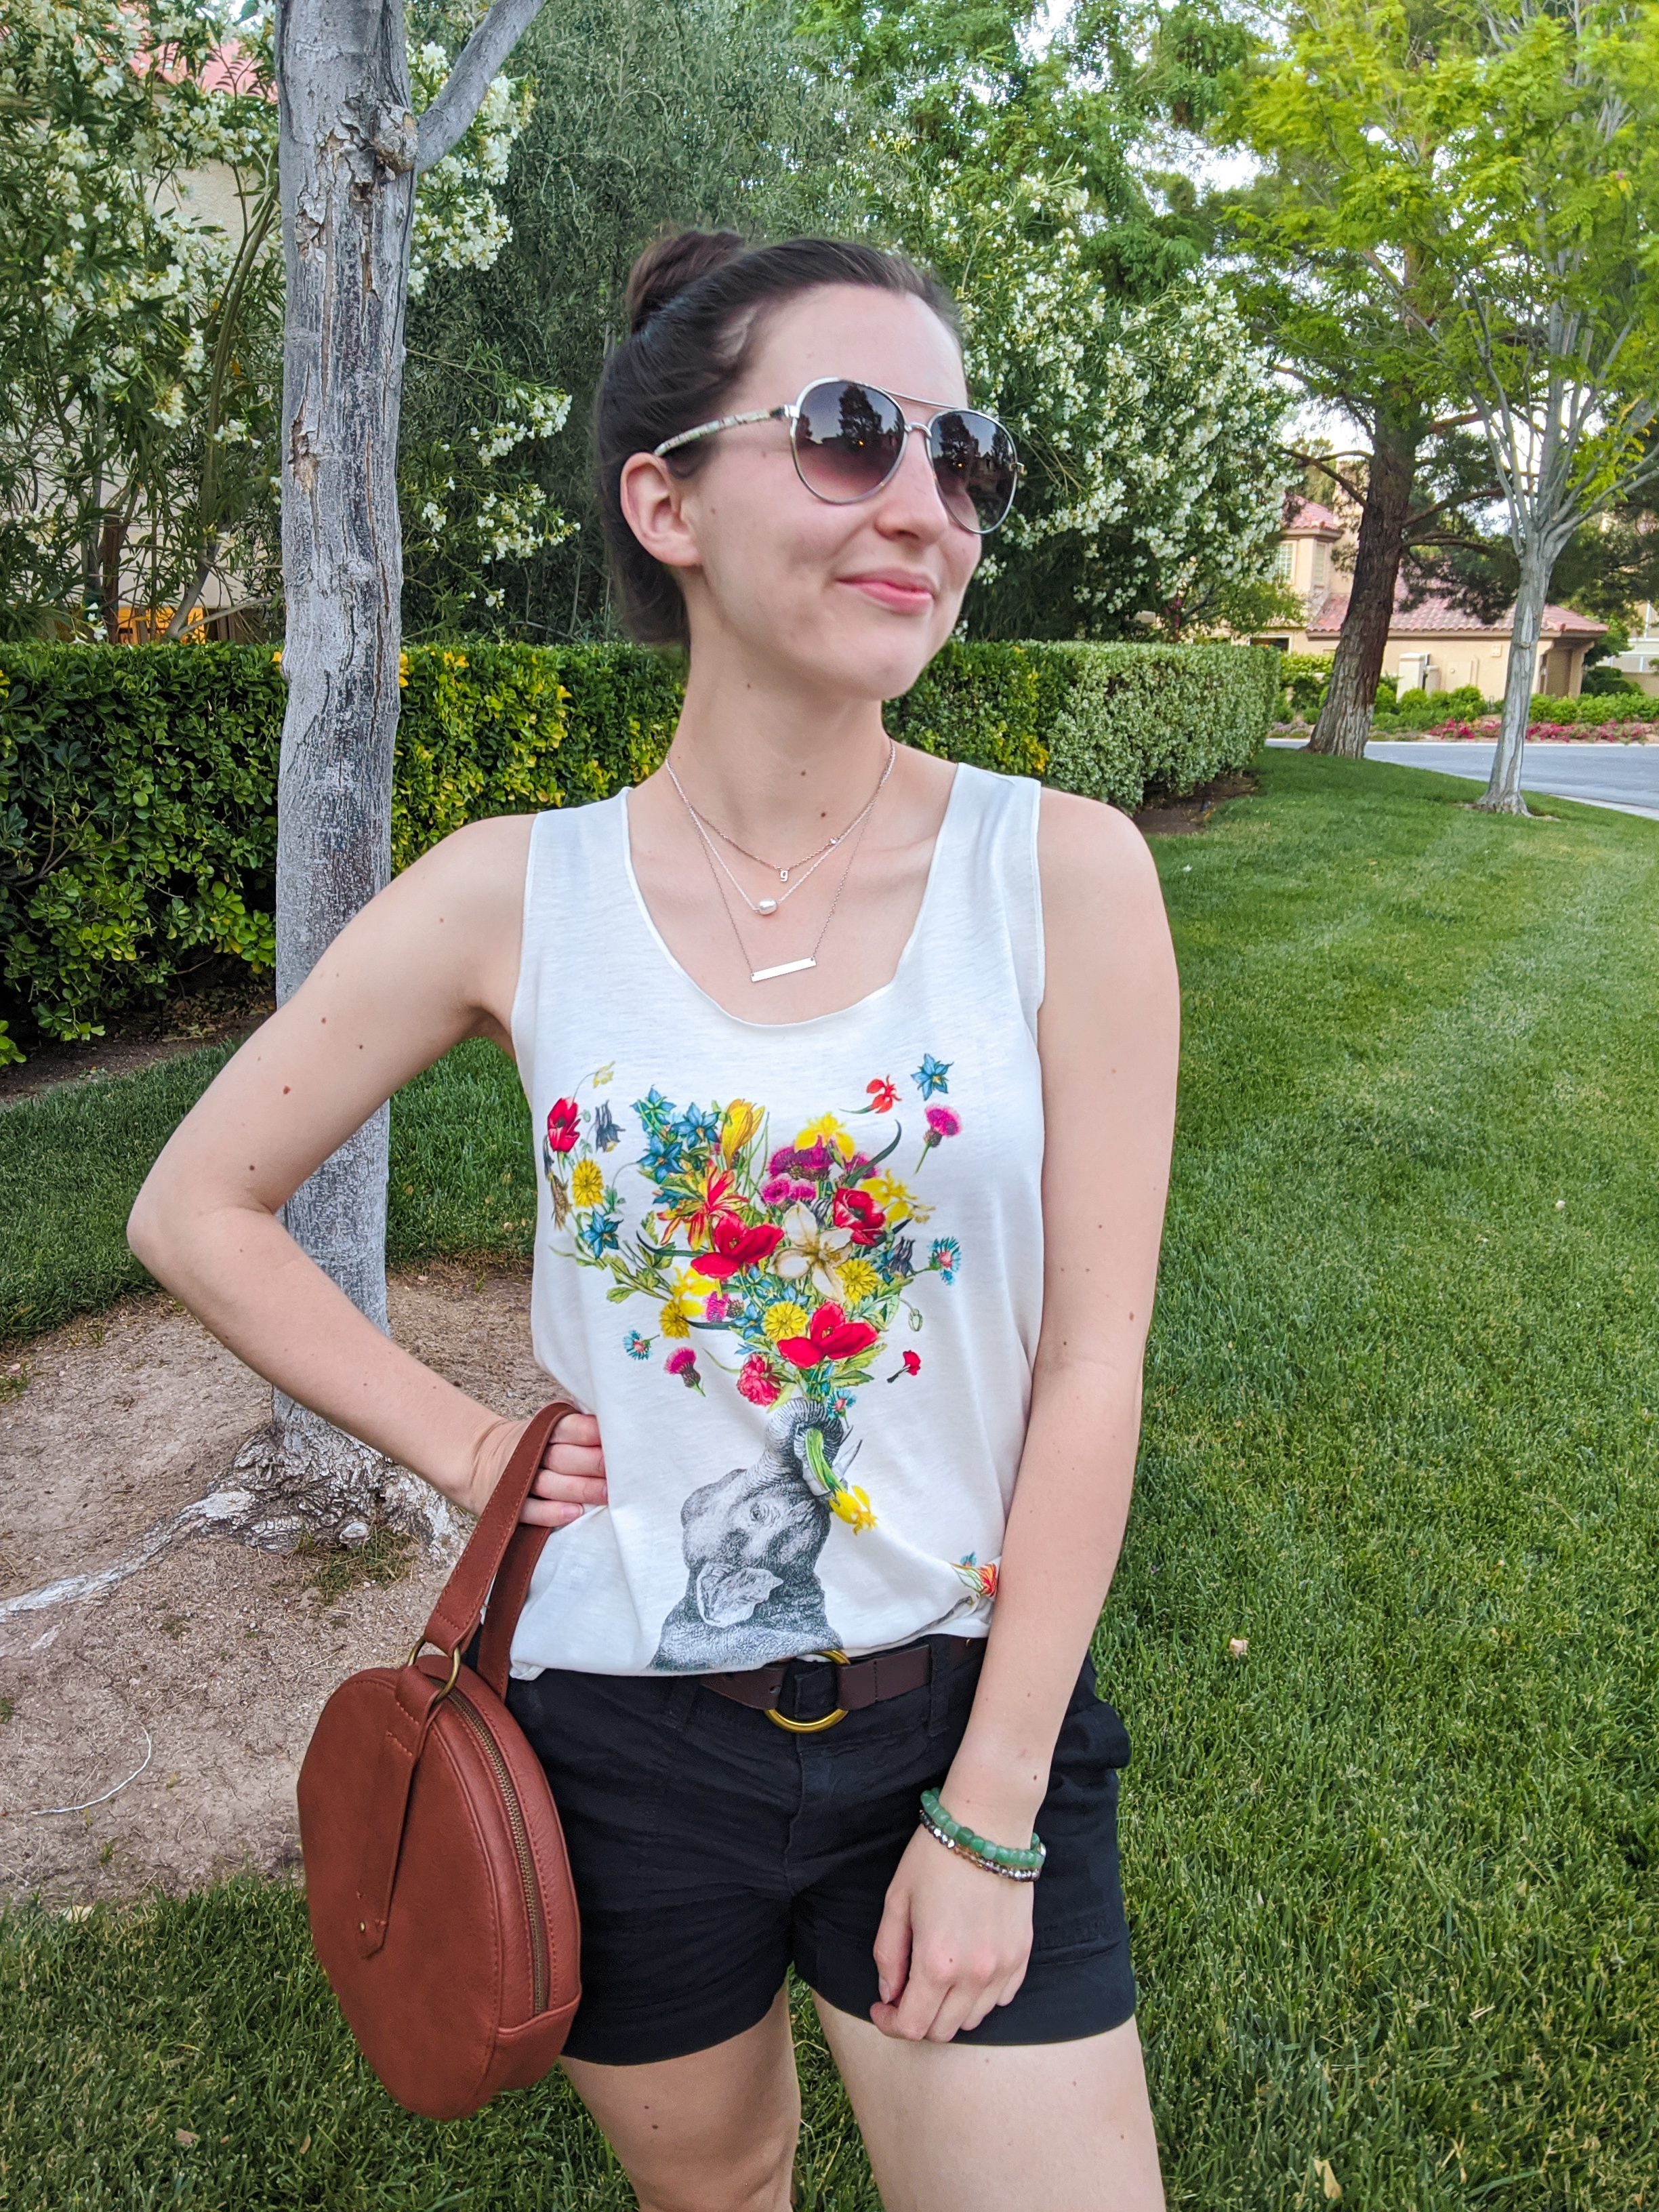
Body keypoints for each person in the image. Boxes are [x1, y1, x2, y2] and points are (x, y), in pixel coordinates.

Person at [129, 230, 1179, 2212]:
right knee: (722, 2198)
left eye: (969, 457)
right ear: (665, 496)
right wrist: (468, 1448)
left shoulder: (1064, 879)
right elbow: (198, 1207)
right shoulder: (512, 894)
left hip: (950, 1711)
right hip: (610, 1739)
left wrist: (998, 1809)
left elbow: (1094, 1354)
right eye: (852, 433)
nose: (924, 505)